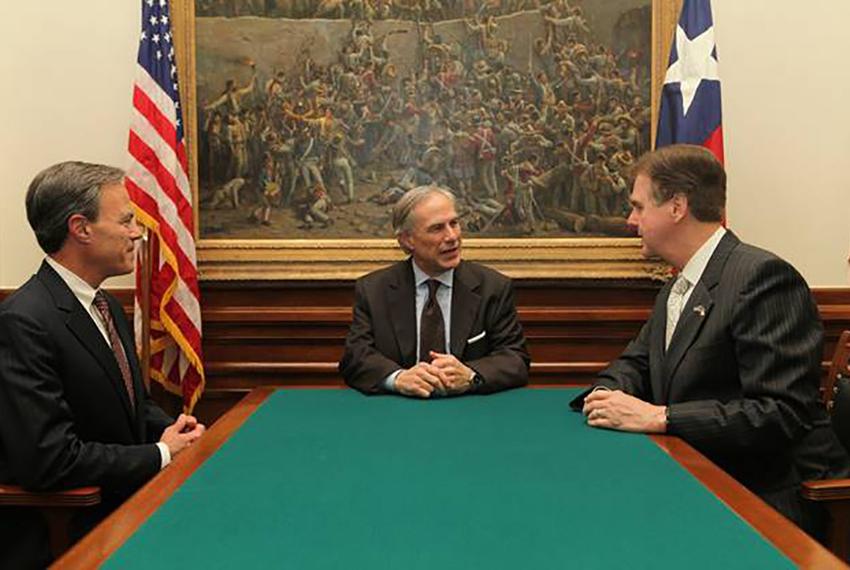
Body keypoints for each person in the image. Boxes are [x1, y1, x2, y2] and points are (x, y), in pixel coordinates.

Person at [570, 144, 849, 538]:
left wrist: (659, 417)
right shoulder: (679, 284)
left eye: (638, 206)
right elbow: (637, 363)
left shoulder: (762, 279)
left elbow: (778, 415)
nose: (631, 220)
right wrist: (605, 395)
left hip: (767, 497)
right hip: (700, 474)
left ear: (677, 206)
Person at [0, 161, 206, 568]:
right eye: (126, 220)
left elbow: (127, 404)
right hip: (69, 534)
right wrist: (161, 454)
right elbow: (49, 460)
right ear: (81, 228)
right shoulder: (24, 321)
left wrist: (171, 429)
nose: (136, 231)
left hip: (126, 507)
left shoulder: (104, 303)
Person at [340, 185, 529, 397]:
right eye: (437, 228)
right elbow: (355, 357)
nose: (452, 237)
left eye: (454, 223)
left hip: (469, 412)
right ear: (407, 240)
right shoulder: (374, 289)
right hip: (399, 412)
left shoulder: (492, 287)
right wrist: (398, 378)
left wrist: (471, 375)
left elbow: (515, 359)